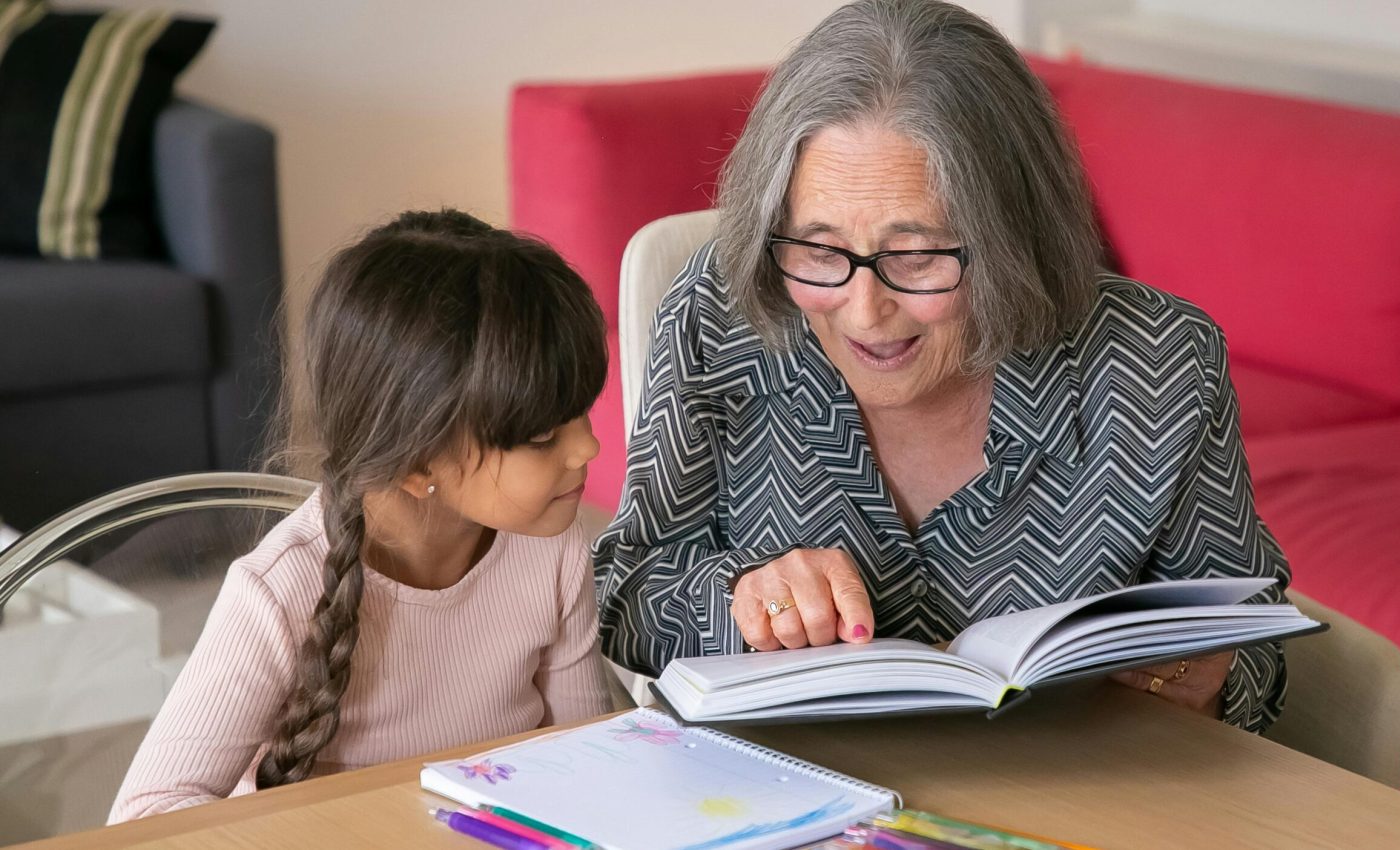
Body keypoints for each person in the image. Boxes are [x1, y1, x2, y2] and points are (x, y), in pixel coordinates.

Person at [594, 0, 1291, 732]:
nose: (863, 312)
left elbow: (1254, 638)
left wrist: (1204, 676)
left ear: (1013, 240)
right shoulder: (724, 313)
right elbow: (626, 589)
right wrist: (739, 594)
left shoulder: (1158, 362)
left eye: (918, 256)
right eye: (821, 251)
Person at [111, 209, 613, 820]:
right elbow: (144, 816)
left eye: (581, 411)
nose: (587, 448)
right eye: (540, 435)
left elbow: (591, 763)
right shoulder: (279, 592)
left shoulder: (551, 545)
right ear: (415, 462)